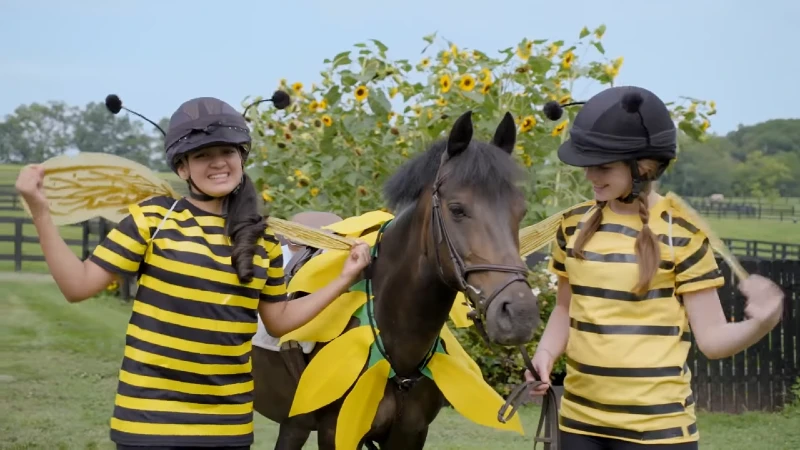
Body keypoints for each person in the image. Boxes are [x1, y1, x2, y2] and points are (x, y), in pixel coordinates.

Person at [14, 95, 370, 450]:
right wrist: (41, 212)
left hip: (227, 428)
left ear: (241, 158)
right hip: (149, 423)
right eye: (202, 155)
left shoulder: (263, 241)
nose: (218, 162)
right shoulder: (154, 219)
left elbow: (279, 321)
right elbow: (77, 286)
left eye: (227, 152)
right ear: (182, 168)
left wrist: (344, 279)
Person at [525, 86, 785, 450]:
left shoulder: (682, 234)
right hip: (578, 425)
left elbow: (712, 340)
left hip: (658, 433)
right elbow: (566, 309)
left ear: (644, 167)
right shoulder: (572, 226)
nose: (590, 176)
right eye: (587, 164)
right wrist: (545, 355)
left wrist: (762, 324)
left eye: (603, 166)